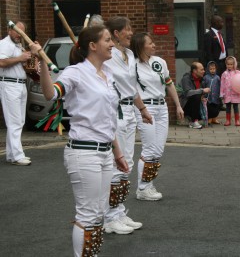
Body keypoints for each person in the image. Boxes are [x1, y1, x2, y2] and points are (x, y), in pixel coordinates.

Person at [34, 25, 152, 257]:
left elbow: (108, 120)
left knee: (98, 213)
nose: (112, 44)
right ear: (92, 46)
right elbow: (51, 94)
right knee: (87, 214)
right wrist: (43, 66)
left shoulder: (106, 75)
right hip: (83, 152)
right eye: (108, 40)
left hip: (105, 152)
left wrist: (117, 153)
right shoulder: (75, 72)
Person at [130, 32, 184, 201]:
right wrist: (142, 108)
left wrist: (178, 105)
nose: (154, 45)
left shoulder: (160, 62)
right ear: (140, 46)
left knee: (158, 150)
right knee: (149, 149)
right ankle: (143, 188)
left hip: (162, 107)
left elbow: (169, 84)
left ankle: (148, 184)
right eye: (150, 43)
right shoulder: (132, 65)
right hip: (145, 107)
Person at [103, 16, 142, 235]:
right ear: (116, 33)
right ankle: (109, 217)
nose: (131, 32)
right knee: (116, 164)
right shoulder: (109, 55)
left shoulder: (130, 55)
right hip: (114, 110)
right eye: (127, 29)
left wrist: (143, 110)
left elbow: (133, 86)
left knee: (127, 163)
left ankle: (118, 211)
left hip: (130, 110)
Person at [0, 21, 36, 166]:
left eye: (23, 32)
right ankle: (17, 155)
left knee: (19, 121)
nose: (20, 35)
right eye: (18, 32)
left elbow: (26, 67)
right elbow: (1, 62)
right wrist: (20, 58)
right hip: (9, 84)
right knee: (14, 121)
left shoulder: (18, 45)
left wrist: (31, 56)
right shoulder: (4, 44)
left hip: (20, 84)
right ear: (9, 30)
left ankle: (11, 154)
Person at [220, 56, 240, 126]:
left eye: (231, 64)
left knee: (235, 107)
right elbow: (222, 84)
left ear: (234, 64)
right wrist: (221, 93)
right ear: (226, 64)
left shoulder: (238, 72)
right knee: (228, 107)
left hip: (235, 93)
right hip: (227, 94)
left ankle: (237, 120)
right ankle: (228, 120)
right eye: (228, 64)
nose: (229, 66)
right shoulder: (224, 74)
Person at [179, 61, 210, 129]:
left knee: (214, 109)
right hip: (186, 106)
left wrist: (203, 97)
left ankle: (202, 119)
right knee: (196, 96)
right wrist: (202, 91)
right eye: (201, 70)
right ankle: (193, 121)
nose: (204, 71)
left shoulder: (202, 79)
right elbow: (188, 93)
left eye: (203, 69)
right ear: (195, 71)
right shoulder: (186, 78)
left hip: (198, 104)